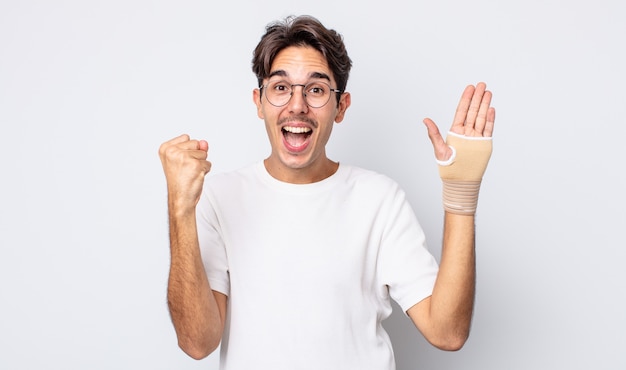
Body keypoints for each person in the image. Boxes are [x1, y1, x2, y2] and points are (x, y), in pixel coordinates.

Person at [158, 14, 495, 370]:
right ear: (259, 102)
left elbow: (447, 333)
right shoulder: (219, 197)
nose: (298, 105)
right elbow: (197, 343)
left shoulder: (379, 199)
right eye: (281, 87)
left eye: (316, 89)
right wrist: (180, 209)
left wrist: (461, 192)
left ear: (341, 107)